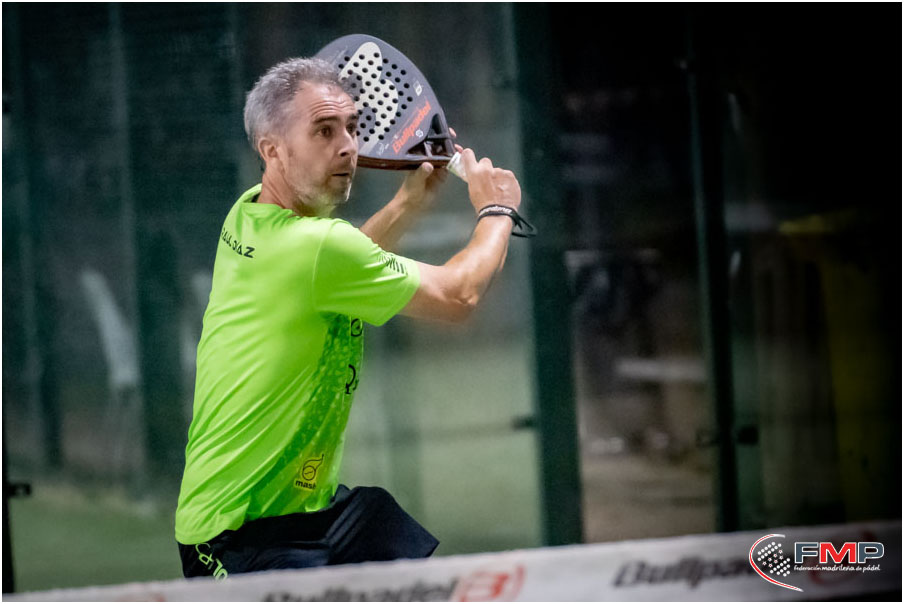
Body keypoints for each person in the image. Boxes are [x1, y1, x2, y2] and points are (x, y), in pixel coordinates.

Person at [175, 57, 524, 579]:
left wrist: (407, 204)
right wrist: (497, 210)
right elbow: (459, 295)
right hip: (233, 539)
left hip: (308, 513)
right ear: (272, 150)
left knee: (386, 533)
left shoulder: (248, 213)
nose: (348, 146)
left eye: (353, 127)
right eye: (324, 130)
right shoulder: (316, 247)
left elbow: (333, 269)